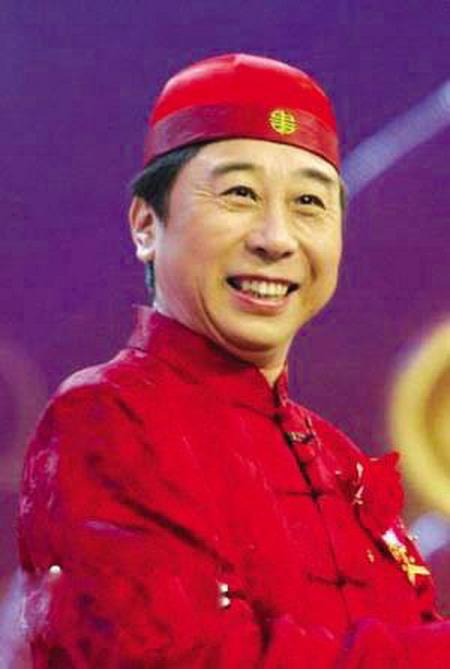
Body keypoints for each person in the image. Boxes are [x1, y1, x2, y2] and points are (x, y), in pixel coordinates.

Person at [18, 53, 449, 668]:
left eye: (309, 202)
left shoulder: (340, 460)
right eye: (239, 194)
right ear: (146, 225)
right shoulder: (105, 421)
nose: (276, 239)